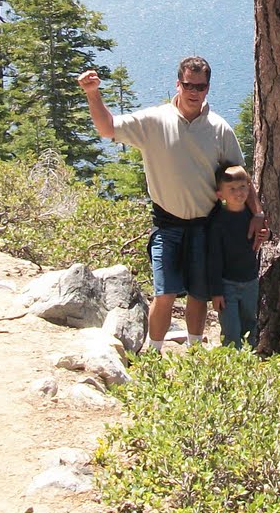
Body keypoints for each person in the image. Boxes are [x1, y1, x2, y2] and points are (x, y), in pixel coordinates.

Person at [78, 56, 263, 352]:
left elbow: (241, 177)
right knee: (164, 293)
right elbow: (107, 127)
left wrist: (258, 213)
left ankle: (193, 349)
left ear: (207, 88)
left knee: (199, 295)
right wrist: (92, 93)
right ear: (178, 84)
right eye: (188, 85)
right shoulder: (153, 121)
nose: (194, 92)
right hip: (167, 225)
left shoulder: (219, 129)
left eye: (200, 87)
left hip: (205, 226)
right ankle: (153, 353)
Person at [206, 163, 268, 348]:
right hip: (227, 285)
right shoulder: (217, 222)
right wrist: (216, 292)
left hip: (250, 281)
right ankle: (232, 365)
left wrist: (267, 235)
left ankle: (249, 363)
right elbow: (214, 259)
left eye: (242, 187)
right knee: (231, 330)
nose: (238, 192)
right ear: (220, 195)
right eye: (231, 189)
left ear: (249, 188)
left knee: (250, 324)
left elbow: (266, 232)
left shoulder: (253, 216)